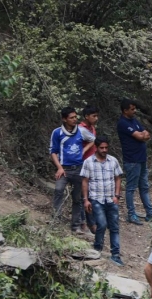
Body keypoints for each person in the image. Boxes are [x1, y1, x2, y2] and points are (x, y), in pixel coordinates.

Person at [117, 98, 152, 225]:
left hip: (142, 159)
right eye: (132, 109)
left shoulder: (134, 121)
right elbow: (139, 136)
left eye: (135, 108)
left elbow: (146, 134)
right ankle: (131, 214)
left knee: (144, 186)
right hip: (132, 160)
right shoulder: (123, 123)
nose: (135, 111)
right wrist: (142, 136)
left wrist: (143, 135)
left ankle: (150, 212)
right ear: (125, 110)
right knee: (131, 188)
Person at [50, 106, 96, 233]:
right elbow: (53, 152)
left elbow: (93, 140)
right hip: (64, 169)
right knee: (58, 190)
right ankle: (55, 220)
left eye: (76, 117)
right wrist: (59, 167)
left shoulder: (81, 130)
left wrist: (83, 151)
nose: (75, 119)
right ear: (64, 119)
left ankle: (75, 226)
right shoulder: (57, 132)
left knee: (77, 198)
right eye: (71, 118)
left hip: (79, 169)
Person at [81, 135, 124, 266]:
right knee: (102, 224)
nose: (104, 150)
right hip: (96, 199)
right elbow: (85, 181)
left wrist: (117, 196)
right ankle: (97, 249)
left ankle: (115, 254)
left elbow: (118, 178)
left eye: (106, 147)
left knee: (115, 227)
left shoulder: (113, 161)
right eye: (102, 148)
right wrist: (86, 200)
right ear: (96, 147)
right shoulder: (88, 162)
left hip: (111, 199)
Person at [79, 105, 100, 233]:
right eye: (94, 116)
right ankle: (85, 223)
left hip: (93, 163)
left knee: (91, 194)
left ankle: (92, 221)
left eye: (97, 116)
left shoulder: (92, 128)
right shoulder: (81, 129)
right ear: (86, 116)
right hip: (84, 164)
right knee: (84, 195)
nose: (96, 118)